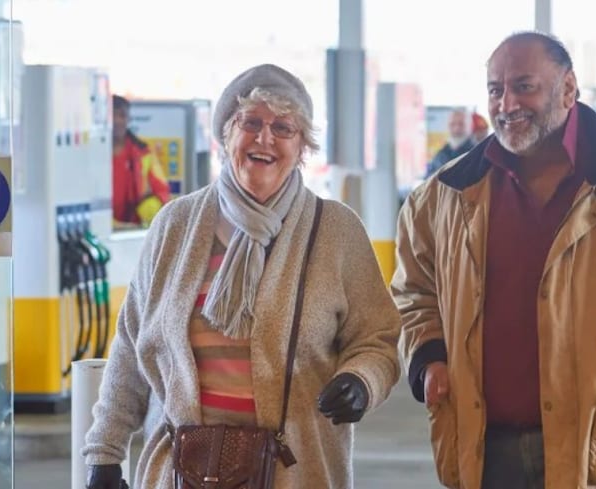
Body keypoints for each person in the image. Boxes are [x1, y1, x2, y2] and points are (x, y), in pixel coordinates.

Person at [393, 32, 596, 488]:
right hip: (481, 450)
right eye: (495, 89)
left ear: (568, 89)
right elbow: (414, 293)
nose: (506, 103)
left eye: (524, 86)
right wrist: (429, 358)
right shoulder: (443, 197)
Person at [83, 64, 401, 489]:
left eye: (283, 128)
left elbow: (377, 339)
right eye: (250, 122)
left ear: (303, 146)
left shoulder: (336, 231)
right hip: (182, 471)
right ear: (226, 135)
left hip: (295, 471)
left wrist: (362, 381)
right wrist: (105, 452)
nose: (264, 138)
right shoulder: (176, 225)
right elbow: (131, 347)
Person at [112, 94, 172, 228]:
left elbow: (162, 191)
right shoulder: (92, 153)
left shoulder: (143, 150)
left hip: (134, 228)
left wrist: (149, 209)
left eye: (122, 115)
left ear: (128, 119)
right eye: (113, 116)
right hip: (102, 226)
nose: (117, 121)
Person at [424, 107, 474, 178]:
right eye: (452, 124)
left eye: (461, 124)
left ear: (470, 126)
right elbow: (428, 181)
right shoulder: (440, 155)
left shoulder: (477, 152)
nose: (456, 128)